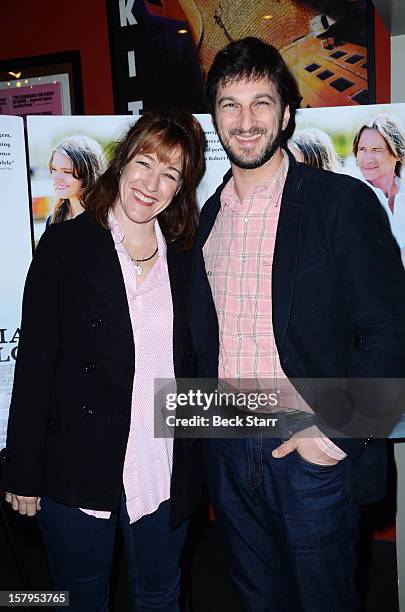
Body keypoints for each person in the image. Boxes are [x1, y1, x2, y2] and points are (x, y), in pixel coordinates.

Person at [188, 37, 405, 611]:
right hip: (230, 445)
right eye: (230, 105)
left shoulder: (340, 202)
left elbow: (389, 329)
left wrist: (334, 435)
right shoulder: (208, 217)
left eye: (262, 103)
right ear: (214, 118)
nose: (246, 120)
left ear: (286, 114)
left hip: (310, 446)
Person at [0, 110, 206, 612]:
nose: (152, 184)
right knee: (79, 599)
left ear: (181, 189)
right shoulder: (66, 245)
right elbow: (35, 364)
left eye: (171, 174)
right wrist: (22, 472)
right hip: (77, 462)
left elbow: (196, 364)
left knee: (161, 595)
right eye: (145, 163)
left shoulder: (185, 256)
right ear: (122, 160)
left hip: (162, 465)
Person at [353, 114, 405, 265]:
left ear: (397, 154)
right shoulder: (347, 197)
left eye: (376, 150)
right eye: (362, 149)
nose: (367, 159)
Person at [47, 134, 106, 225]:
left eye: (67, 172)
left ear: (88, 175)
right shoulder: (53, 219)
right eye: (54, 169)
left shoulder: (107, 220)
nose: (56, 178)